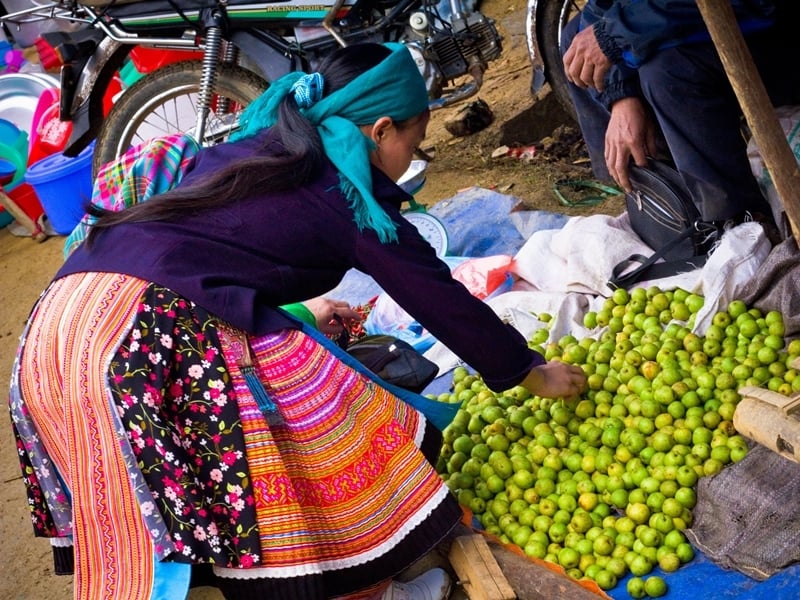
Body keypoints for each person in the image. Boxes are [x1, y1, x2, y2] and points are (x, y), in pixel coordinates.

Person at [8, 42, 587, 600]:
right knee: (328, 412)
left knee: (164, 489)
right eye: (416, 142)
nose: (414, 160)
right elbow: (435, 295)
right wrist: (531, 371)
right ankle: (360, 587)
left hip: (57, 333)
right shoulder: (344, 189)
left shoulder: (267, 145)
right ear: (381, 130)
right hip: (144, 337)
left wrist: (303, 309)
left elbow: (204, 252)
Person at [560, 0, 800, 234]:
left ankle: (742, 222)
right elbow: (601, 8)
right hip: (688, 18)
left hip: (773, 28)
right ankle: (670, 199)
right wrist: (620, 96)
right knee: (576, 39)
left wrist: (615, 36)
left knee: (667, 72)